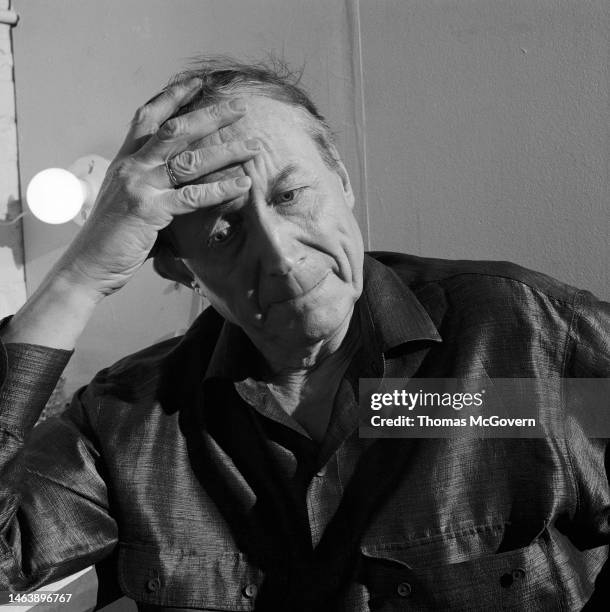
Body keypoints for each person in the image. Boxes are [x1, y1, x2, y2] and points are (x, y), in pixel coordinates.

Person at [0, 57, 608, 611]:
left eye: (290, 195)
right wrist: (77, 280)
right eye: (224, 231)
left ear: (341, 180)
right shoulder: (126, 421)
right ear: (180, 267)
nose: (280, 255)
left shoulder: (521, 337)